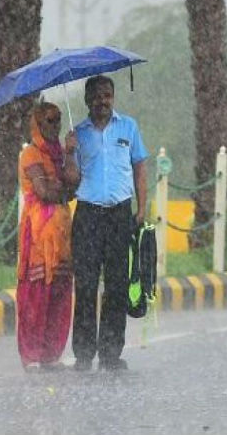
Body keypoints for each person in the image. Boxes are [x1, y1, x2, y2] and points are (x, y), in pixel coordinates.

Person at [68, 75, 149, 371]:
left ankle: (111, 353)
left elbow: (140, 167)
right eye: (96, 97)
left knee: (116, 285)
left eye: (107, 96)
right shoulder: (77, 134)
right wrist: (69, 152)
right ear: (87, 100)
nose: (102, 101)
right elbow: (72, 179)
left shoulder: (128, 127)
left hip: (119, 214)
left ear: (112, 98)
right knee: (87, 286)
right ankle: (84, 353)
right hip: (88, 214)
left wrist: (142, 208)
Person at [16, 102, 79, 373]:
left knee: (60, 291)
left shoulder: (60, 155)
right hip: (39, 235)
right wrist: (62, 189)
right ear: (38, 124)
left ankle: (51, 353)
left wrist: (70, 153)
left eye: (58, 121)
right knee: (36, 292)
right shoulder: (30, 154)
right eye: (50, 121)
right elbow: (44, 192)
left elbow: (73, 182)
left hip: (62, 234)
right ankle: (31, 353)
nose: (56, 127)